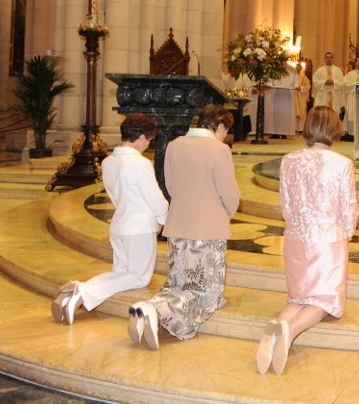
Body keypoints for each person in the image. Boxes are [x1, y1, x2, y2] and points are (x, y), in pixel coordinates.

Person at [128, 105, 241, 349]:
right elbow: (230, 194)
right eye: (226, 131)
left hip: (177, 225)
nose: (225, 136)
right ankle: (156, 310)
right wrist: (224, 214)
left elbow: (169, 185)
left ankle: (147, 308)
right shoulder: (219, 150)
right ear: (220, 126)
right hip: (208, 229)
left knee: (178, 284)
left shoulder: (174, 145)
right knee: (204, 291)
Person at [257, 107, 358, 375]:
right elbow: (348, 207)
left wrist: (297, 224)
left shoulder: (289, 160)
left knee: (298, 297)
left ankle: (274, 332)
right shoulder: (341, 163)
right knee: (323, 300)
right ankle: (289, 333)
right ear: (335, 130)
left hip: (296, 237)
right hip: (328, 241)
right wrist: (346, 232)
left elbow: (286, 204)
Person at [52, 113, 168, 324]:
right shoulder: (141, 163)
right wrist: (162, 219)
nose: (148, 145)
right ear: (141, 137)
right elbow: (156, 198)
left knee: (120, 271)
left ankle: (73, 292)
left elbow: (114, 197)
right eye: (149, 140)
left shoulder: (108, 162)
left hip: (119, 225)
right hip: (140, 228)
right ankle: (82, 292)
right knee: (139, 277)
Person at [342, 56, 359, 141]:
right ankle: (351, 134)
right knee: (351, 114)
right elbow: (345, 84)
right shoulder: (349, 74)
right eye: (358, 61)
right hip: (352, 97)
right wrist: (356, 85)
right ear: (355, 62)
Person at [265, 69, 298, 139]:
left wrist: (296, 87)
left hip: (287, 95)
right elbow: (270, 82)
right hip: (276, 94)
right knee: (275, 114)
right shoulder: (274, 70)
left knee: (285, 115)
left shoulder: (292, 70)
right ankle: (274, 132)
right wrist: (269, 85)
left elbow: (296, 83)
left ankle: (284, 132)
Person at [312, 52, 346, 116]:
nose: (329, 59)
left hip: (334, 96)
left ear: (333, 59)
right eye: (327, 57)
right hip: (322, 96)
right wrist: (324, 82)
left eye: (330, 57)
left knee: (333, 113)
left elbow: (342, 82)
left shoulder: (338, 70)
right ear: (325, 59)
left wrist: (334, 82)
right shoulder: (319, 70)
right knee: (322, 113)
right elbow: (315, 81)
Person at [294, 63, 311, 134]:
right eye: (297, 67)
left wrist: (300, 88)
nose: (298, 69)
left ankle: (301, 128)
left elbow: (308, 86)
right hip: (294, 96)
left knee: (302, 111)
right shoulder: (292, 76)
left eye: (299, 68)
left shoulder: (304, 77)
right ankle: (293, 128)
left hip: (302, 96)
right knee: (294, 110)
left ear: (301, 69)